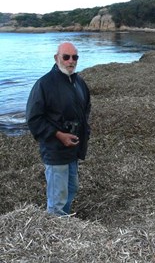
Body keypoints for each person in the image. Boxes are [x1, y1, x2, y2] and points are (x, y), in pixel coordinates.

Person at [26, 42, 91, 216]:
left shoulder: (78, 81)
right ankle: (56, 227)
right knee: (57, 197)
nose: (71, 61)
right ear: (57, 58)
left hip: (73, 148)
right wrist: (58, 134)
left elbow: (86, 108)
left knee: (71, 187)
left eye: (74, 57)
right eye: (66, 57)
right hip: (55, 150)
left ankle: (64, 222)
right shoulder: (44, 84)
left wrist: (84, 132)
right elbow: (33, 118)